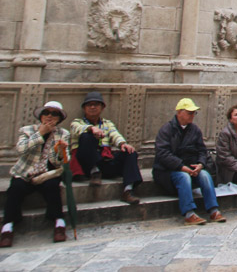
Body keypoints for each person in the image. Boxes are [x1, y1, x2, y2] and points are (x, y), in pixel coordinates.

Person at [1, 101, 71, 247]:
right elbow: (21, 150)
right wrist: (41, 133)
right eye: (47, 113)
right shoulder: (27, 130)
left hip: (47, 173)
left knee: (52, 187)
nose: (50, 116)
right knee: (16, 189)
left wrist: (60, 151)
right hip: (26, 172)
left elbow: (62, 161)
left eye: (54, 114)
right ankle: (8, 226)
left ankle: (59, 222)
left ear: (59, 118)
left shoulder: (63, 134)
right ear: (41, 116)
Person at [152, 98, 227, 226]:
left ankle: (213, 210)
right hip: (168, 171)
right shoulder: (167, 130)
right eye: (189, 112)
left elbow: (202, 151)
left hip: (191, 168)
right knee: (183, 176)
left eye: (193, 113)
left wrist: (200, 164)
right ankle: (189, 213)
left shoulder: (195, 130)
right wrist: (181, 167)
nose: (192, 115)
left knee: (205, 175)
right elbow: (163, 153)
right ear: (179, 112)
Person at [69, 91, 142, 204]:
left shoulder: (107, 124)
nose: (93, 107)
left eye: (96, 104)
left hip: (104, 161)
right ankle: (95, 171)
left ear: (102, 107)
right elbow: (77, 129)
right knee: (86, 137)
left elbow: (115, 134)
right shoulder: (77, 122)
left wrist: (123, 144)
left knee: (130, 152)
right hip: (85, 164)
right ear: (84, 108)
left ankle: (128, 190)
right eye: (89, 105)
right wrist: (91, 129)